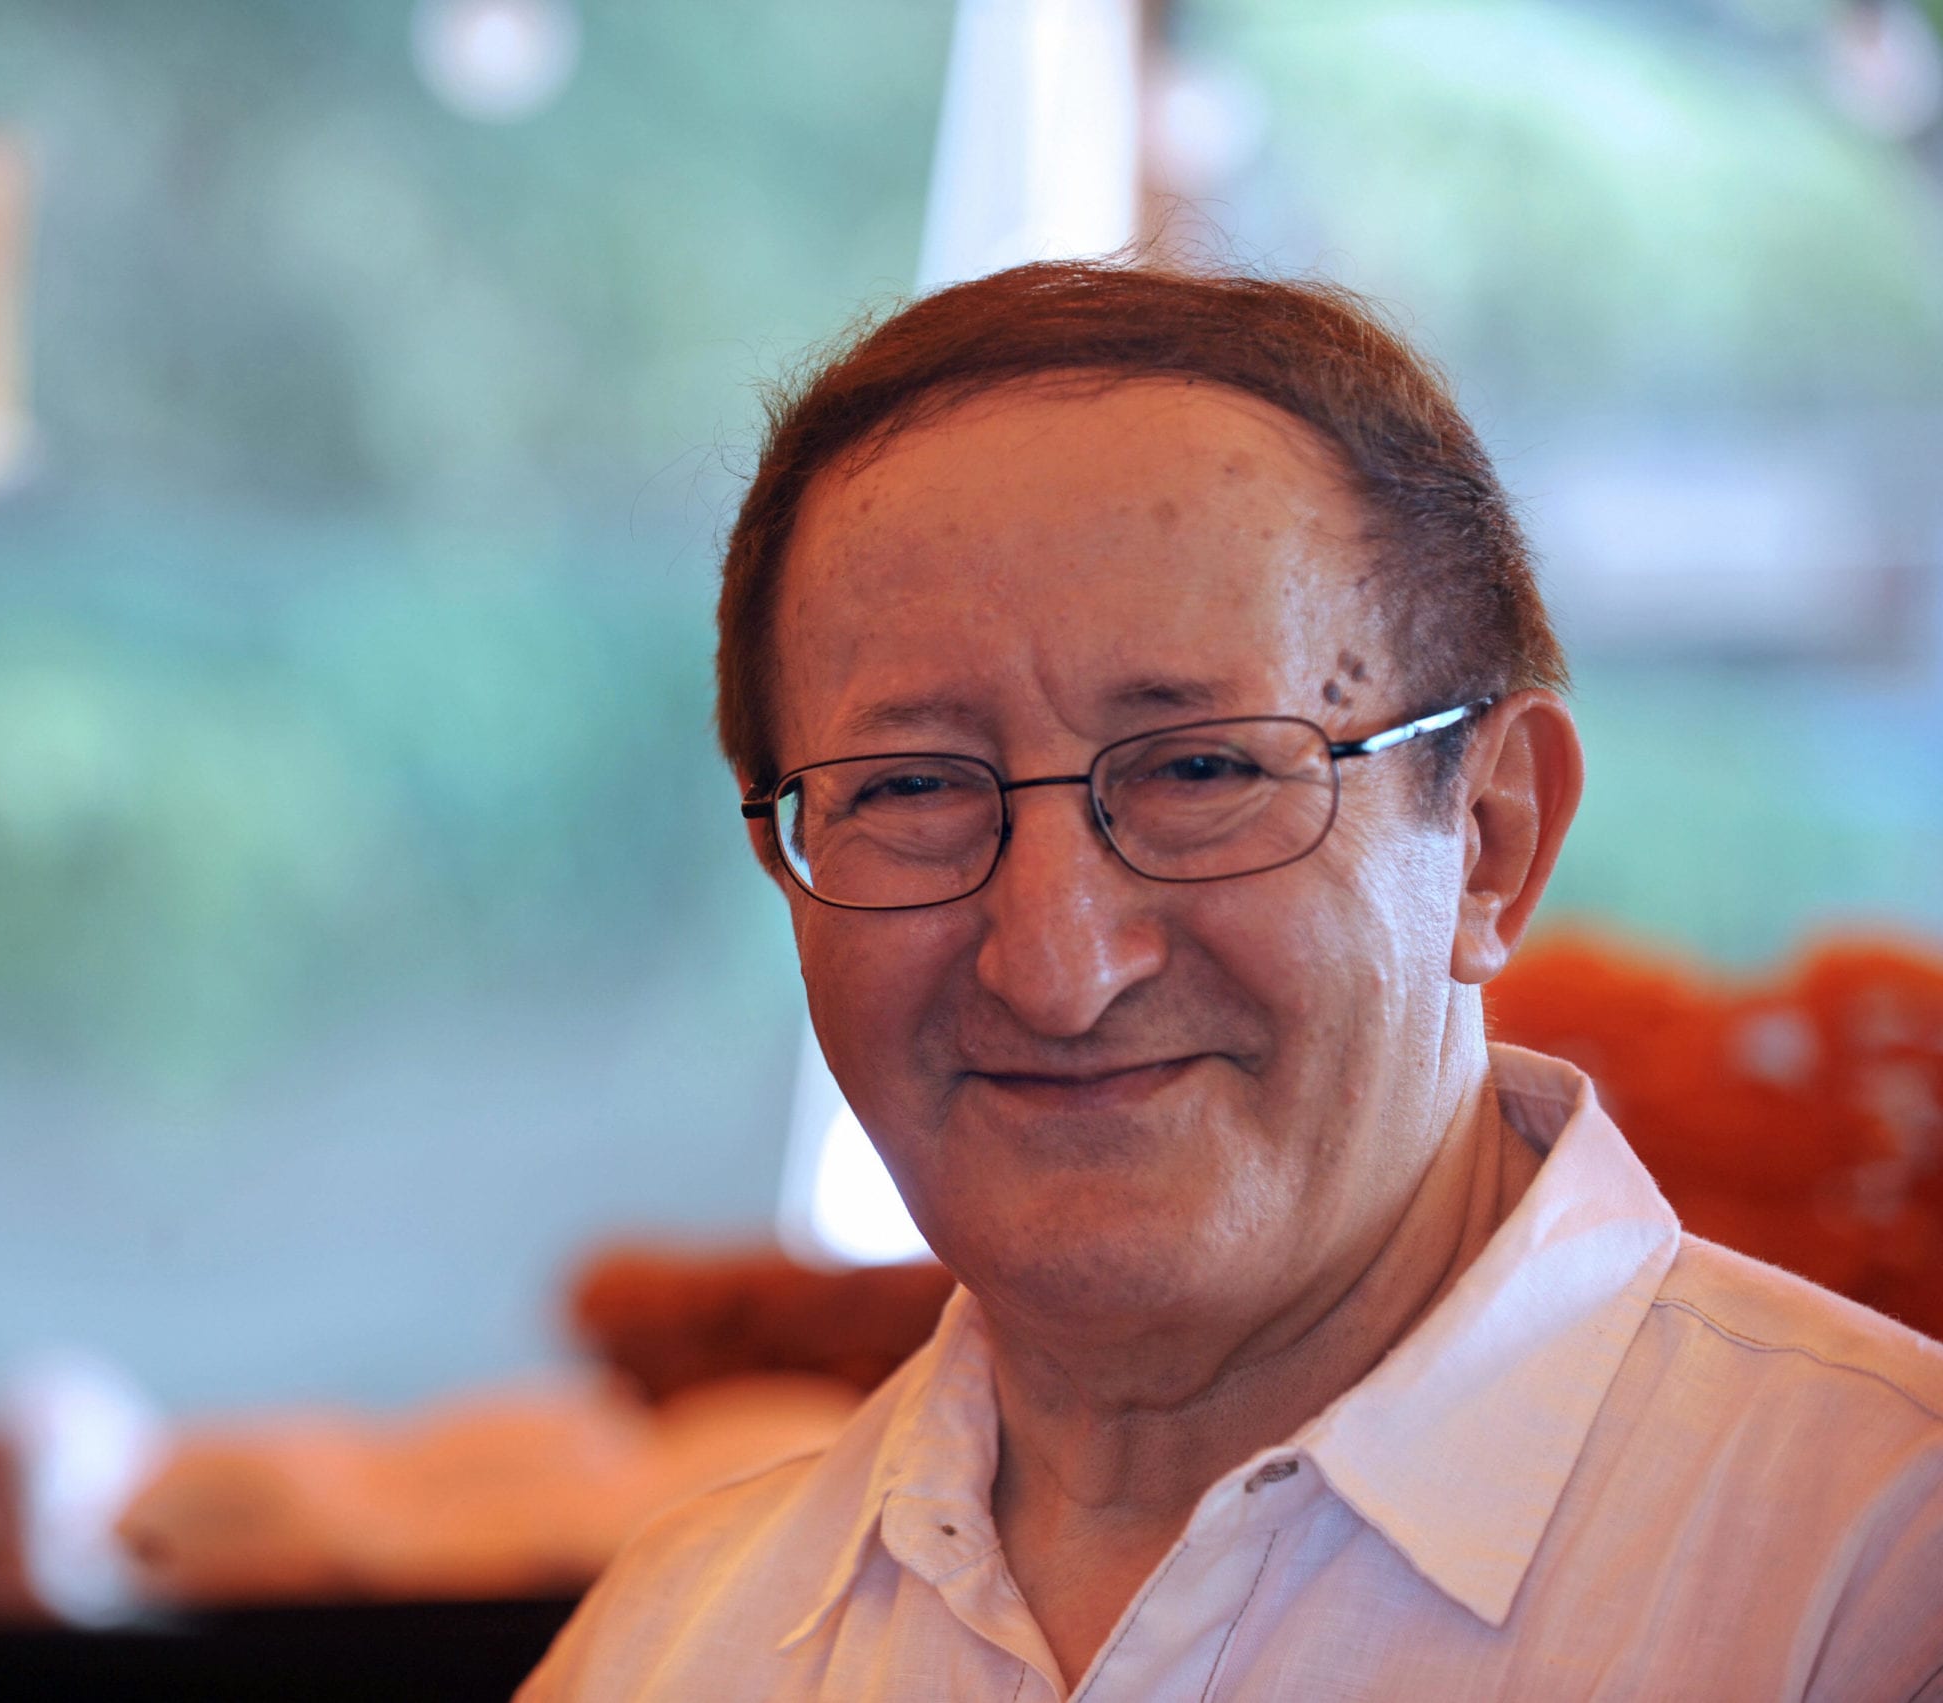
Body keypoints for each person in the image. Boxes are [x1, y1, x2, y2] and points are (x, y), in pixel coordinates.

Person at [520, 264, 1943, 1701]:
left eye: (1203, 769)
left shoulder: (1874, 1572)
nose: (1057, 970)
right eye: (910, 788)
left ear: (1491, 841)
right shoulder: (671, 1648)